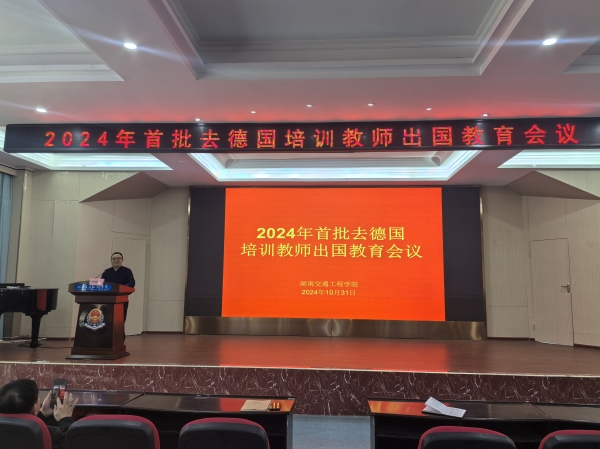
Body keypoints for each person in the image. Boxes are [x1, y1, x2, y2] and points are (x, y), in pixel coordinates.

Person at [0, 379, 78, 449]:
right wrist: (65, 419)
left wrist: (42, 414)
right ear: (34, 408)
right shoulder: (52, 434)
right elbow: (75, 443)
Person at [101, 252, 135, 326]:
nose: (116, 260)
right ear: (111, 261)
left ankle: (120, 333)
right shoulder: (106, 272)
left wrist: (121, 288)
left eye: (118, 258)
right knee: (106, 320)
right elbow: (101, 284)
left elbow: (131, 283)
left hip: (122, 299)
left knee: (120, 321)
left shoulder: (127, 271)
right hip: (107, 299)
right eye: (114, 258)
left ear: (122, 260)